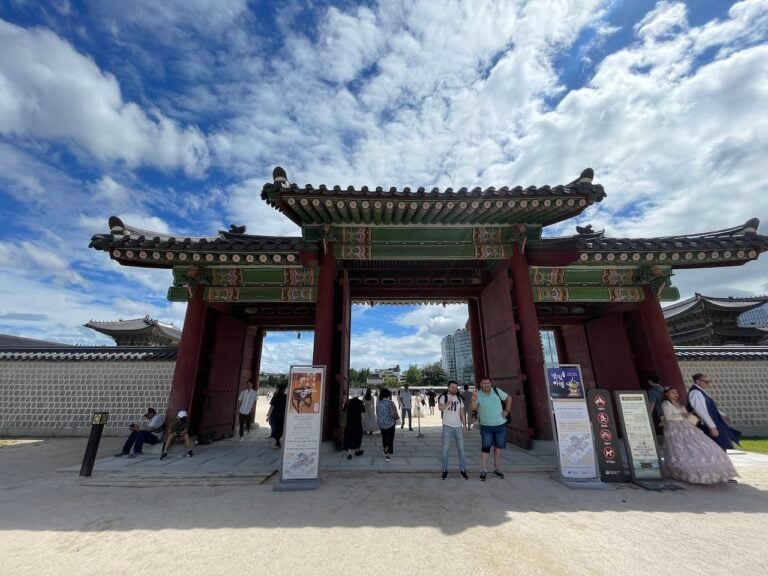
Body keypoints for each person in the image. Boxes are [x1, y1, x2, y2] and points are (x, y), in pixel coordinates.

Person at [661, 388, 739, 484]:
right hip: (675, 430)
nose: (675, 394)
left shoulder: (680, 404)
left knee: (701, 445)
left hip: (687, 427)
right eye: (673, 392)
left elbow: (686, 416)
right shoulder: (666, 404)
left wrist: (688, 415)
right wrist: (683, 415)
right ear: (667, 394)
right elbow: (668, 418)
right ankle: (682, 470)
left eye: (676, 392)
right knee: (680, 449)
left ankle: (715, 470)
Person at [471, 378, 512, 481]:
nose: (486, 385)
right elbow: (473, 408)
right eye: (484, 383)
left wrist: (507, 410)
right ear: (480, 384)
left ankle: (497, 469)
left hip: (500, 425)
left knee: (498, 448)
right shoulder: (478, 394)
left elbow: (509, 398)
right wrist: (474, 399)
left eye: (488, 383)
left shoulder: (496, 390)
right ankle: (484, 470)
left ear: (490, 383)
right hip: (486, 426)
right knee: (485, 448)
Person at [687, 373, 742, 451]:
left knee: (721, 444)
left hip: (714, 422)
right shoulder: (696, 393)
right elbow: (702, 411)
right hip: (706, 424)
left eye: (709, 381)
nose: (708, 384)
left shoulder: (701, 392)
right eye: (705, 381)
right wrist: (712, 427)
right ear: (697, 381)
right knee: (715, 446)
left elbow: (710, 407)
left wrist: (722, 415)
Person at [438, 381, 468, 480]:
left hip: (458, 427)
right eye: (452, 387)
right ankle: (445, 470)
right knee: (445, 450)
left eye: (455, 387)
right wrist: (447, 403)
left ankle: (463, 470)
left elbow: (462, 413)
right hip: (447, 426)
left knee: (462, 450)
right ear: (448, 387)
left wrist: (465, 426)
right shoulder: (443, 397)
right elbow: (440, 408)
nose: (454, 389)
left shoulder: (459, 398)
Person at [377, 388, 399, 461]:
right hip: (390, 423)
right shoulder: (391, 402)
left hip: (381, 423)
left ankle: (385, 451)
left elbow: (377, 412)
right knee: (390, 438)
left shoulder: (379, 403)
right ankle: (389, 453)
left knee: (384, 438)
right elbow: (395, 413)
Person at [343, 394, 366, 459]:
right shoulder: (360, 403)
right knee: (358, 436)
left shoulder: (348, 402)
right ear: (358, 395)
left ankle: (349, 453)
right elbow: (362, 414)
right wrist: (364, 423)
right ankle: (358, 451)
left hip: (349, 423)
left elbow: (343, 410)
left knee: (349, 436)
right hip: (358, 423)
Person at [266, 383, 287, 448]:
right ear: (283, 389)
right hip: (282, 415)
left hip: (274, 415)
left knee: (275, 429)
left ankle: (275, 444)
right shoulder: (286, 397)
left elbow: (272, 406)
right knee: (280, 430)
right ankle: (276, 443)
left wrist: (268, 415)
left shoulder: (275, 396)